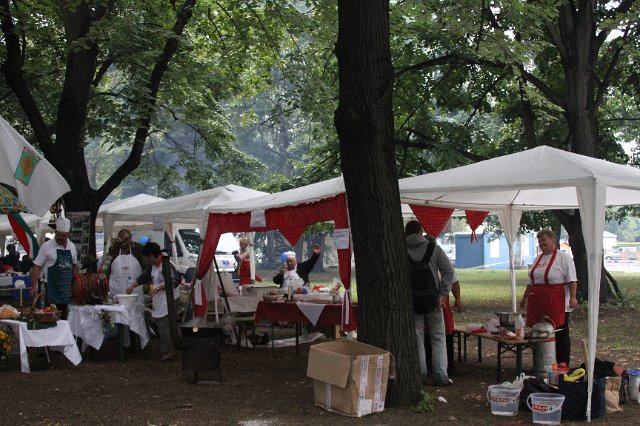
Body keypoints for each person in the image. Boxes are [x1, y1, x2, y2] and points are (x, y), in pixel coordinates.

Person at [406, 220, 454, 386]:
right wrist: (442, 295)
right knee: (438, 338)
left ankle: (421, 375)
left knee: (417, 338)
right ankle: (441, 375)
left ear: (405, 233)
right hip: (433, 301)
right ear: (421, 232)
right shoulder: (434, 248)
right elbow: (449, 271)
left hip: (412, 301)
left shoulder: (400, 250)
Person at [520, 229, 578, 365]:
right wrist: (524, 298)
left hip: (557, 301)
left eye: (544, 240)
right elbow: (531, 282)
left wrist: (573, 297)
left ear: (553, 240)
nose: (541, 243)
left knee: (559, 333)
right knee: (539, 331)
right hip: (538, 301)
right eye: (539, 241)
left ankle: (562, 364)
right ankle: (541, 363)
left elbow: (572, 279)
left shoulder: (563, 258)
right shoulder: (538, 259)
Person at [126, 242, 180, 362]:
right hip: (160, 299)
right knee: (162, 326)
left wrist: (158, 288)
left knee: (164, 326)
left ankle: (168, 351)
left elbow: (175, 281)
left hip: (170, 299)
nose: (147, 260)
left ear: (151, 256)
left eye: (147, 257)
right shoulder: (154, 266)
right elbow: (144, 277)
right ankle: (168, 348)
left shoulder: (167, 265)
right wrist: (132, 286)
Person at [30, 217, 79, 319]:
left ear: (68, 234)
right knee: (47, 316)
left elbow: (74, 266)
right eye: (58, 234)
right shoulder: (46, 246)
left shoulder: (72, 247)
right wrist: (34, 286)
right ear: (55, 232)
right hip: (49, 288)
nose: (60, 237)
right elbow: (37, 266)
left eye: (63, 235)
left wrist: (76, 284)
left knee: (64, 317)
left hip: (65, 289)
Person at [104, 229, 145, 296]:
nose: (128, 243)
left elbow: (146, 267)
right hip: (117, 290)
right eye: (125, 241)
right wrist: (105, 284)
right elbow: (106, 268)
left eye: (129, 240)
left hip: (135, 291)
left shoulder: (139, 248)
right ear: (120, 241)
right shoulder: (113, 249)